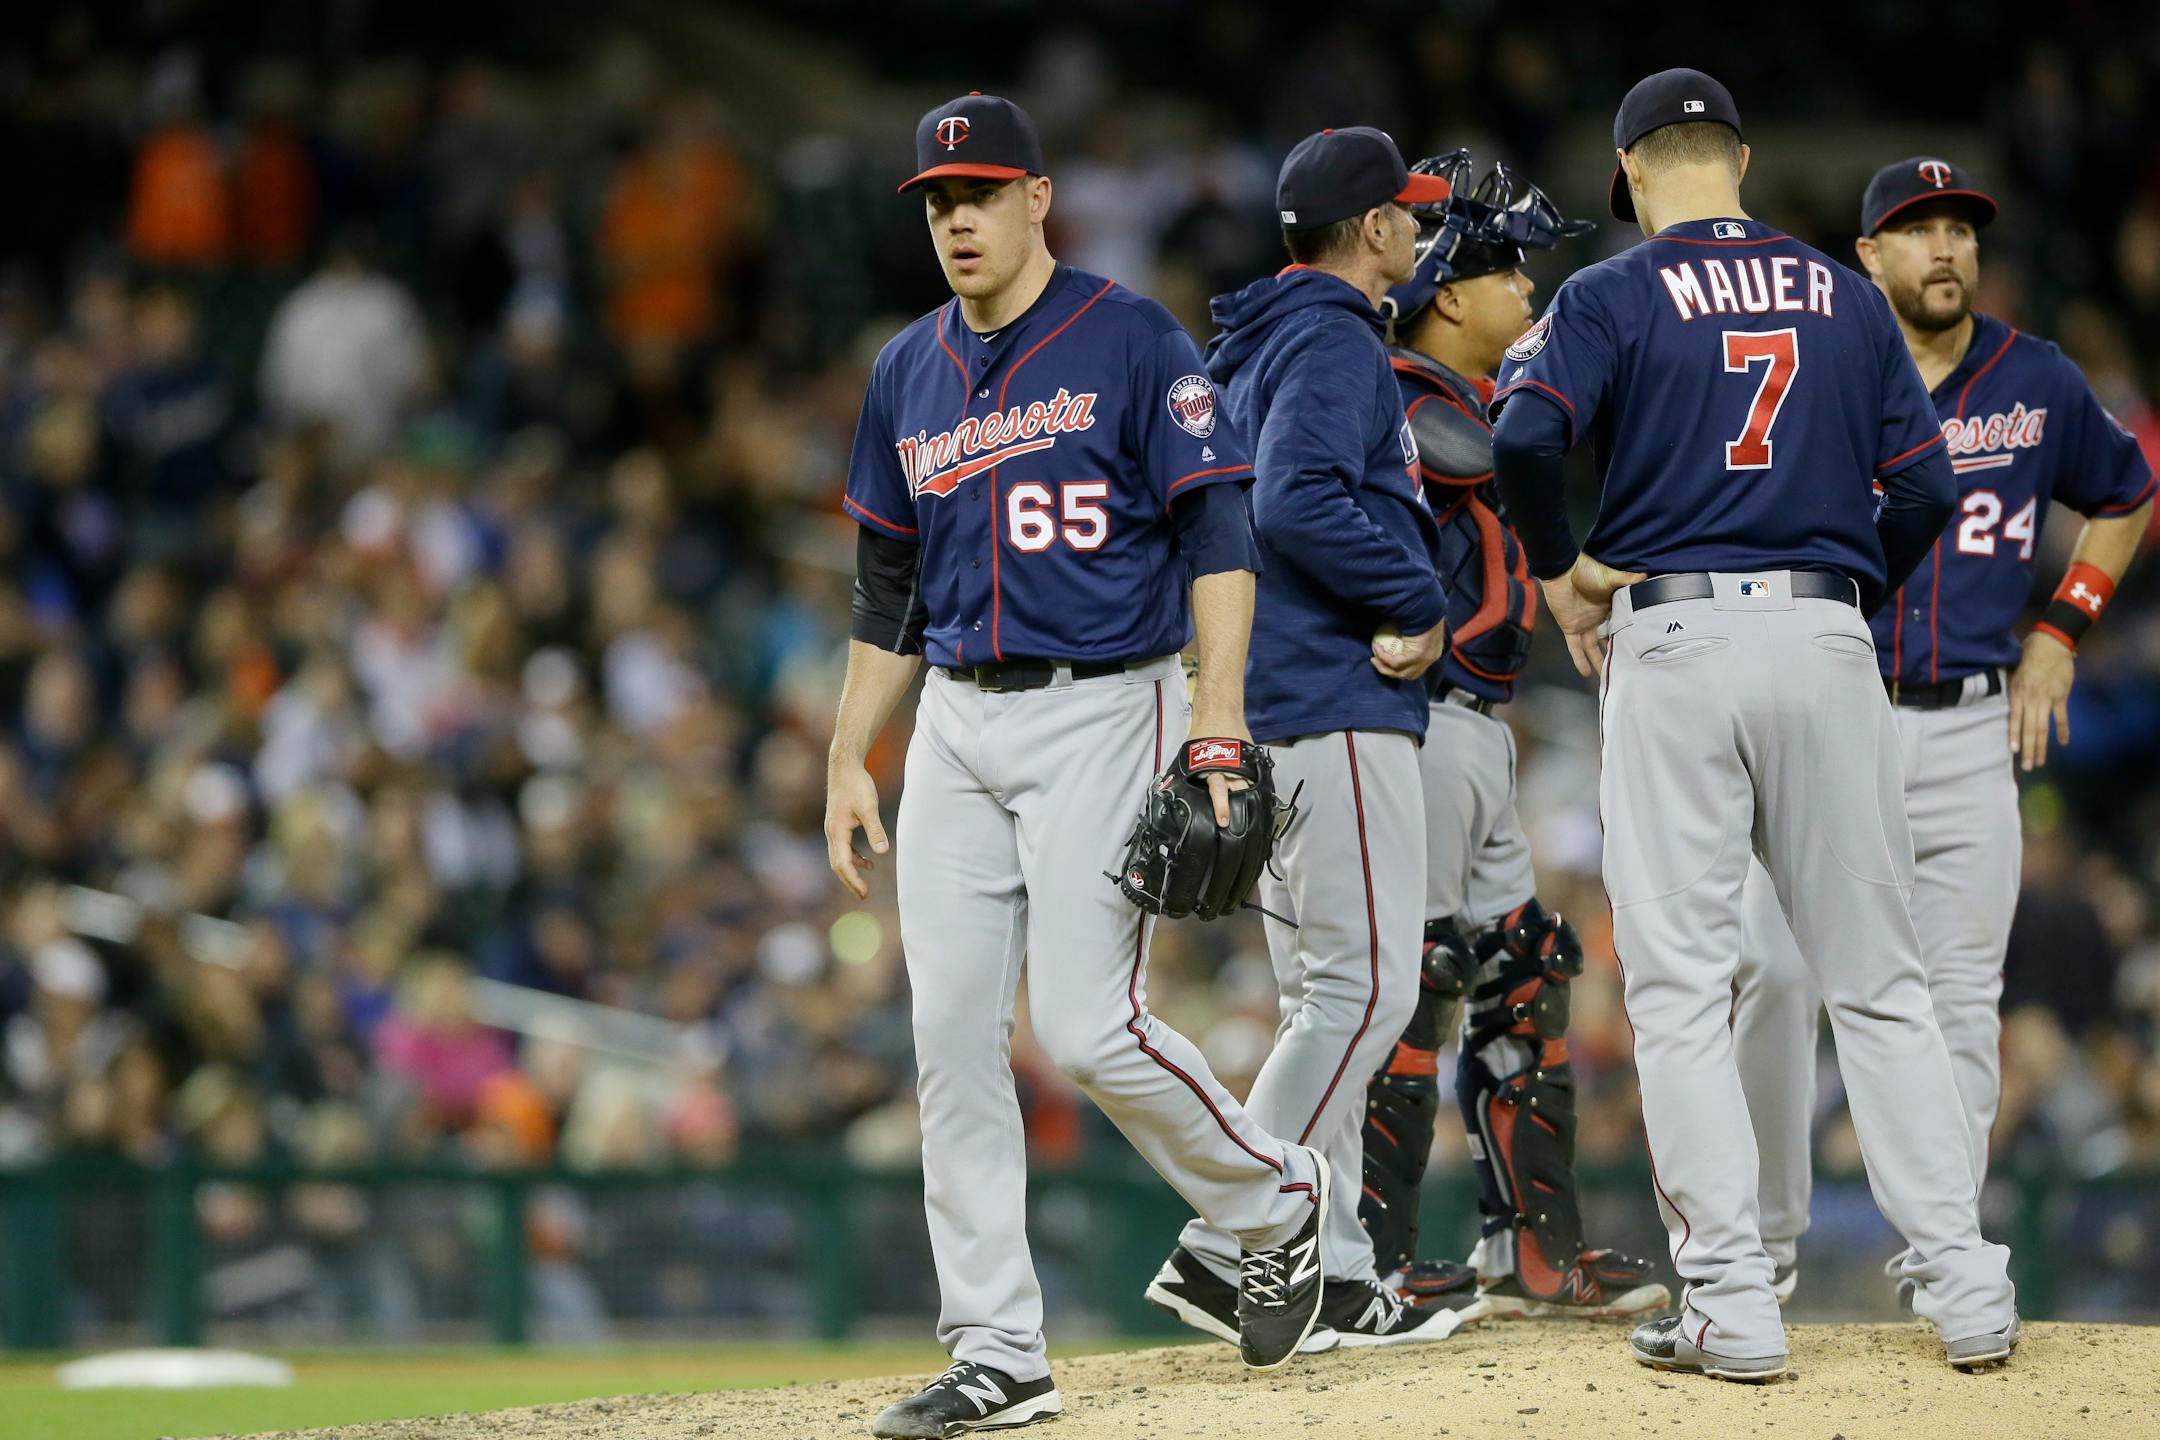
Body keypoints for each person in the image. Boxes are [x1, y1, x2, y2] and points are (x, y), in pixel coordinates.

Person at [1487, 68, 2020, 1380]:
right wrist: (1842, 595)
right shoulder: (1845, 294)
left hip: (1672, 635)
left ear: (1629, 178)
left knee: (1679, 986)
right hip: (1827, 632)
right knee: (1883, 982)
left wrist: (1562, 567)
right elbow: (1927, 488)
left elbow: (1520, 437)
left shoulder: (1612, 290)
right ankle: (1966, 1286)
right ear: (1738, 156)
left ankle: (1730, 1297)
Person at [825, 93, 1334, 1439]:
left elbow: (1219, 535)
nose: (960, 219)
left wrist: (1217, 720)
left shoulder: (1126, 339)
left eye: (981, 193)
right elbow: (887, 592)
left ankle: (1271, 1198)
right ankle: (998, 1350)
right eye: (939, 202)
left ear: (1040, 197)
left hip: (1106, 705)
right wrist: (846, 759)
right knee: (947, 1040)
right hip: (954, 715)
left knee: (1086, 1029)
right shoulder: (907, 372)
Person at [1732, 157, 2155, 1306]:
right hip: (1827, 721)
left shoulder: (2036, 379)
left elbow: (2126, 494)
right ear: (1868, 257)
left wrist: (2063, 630)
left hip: (1970, 722)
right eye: (1917, 230)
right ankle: (1761, 1248)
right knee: (1772, 975)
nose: (1946, 248)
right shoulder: (1813, 376)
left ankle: (1946, 1258)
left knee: (1962, 999)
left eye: (1961, 228)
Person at [1144, 125, 1470, 1351]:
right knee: (1370, 986)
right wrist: (1415, 597)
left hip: (1267, 698)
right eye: (1409, 213)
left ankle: (1331, 1272)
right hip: (1329, 695)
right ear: (1373, 229)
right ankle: (1236, 1244)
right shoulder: (1333, 338)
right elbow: (1295, 501)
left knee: (1322, 996)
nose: (1421, 230)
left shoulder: (1264, 340)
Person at [1355, 151, 1669, 1322]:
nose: (1529, 294)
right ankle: (1369, 1262)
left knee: (1525, 968)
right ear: (1448, 289)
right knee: (1413, 983)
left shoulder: (1475, 401)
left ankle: (1531, 1255)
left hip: (1476, 735)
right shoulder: (1389, 391)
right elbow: (1482, 461)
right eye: (1508, 274)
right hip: (1405, 731)